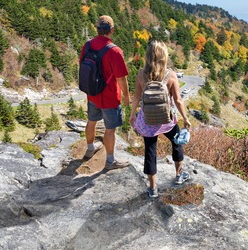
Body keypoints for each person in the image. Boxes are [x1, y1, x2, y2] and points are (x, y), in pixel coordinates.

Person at [129, 40, 192, 198]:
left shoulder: (141, 74)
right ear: (164, 56)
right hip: (167, 120)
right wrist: (185, 118)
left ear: (148, 56)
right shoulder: (170, 75)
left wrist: (132, 114)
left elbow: (136, 97)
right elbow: (178, 100)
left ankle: (153, 188)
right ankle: (179, 176)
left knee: (150, 152)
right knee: (176, 143)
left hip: (147, 121)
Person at [79, 15, 131, 170]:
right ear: (112, 30)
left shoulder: (87, 45)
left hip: (92, 93)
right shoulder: (115, 51)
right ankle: (110, 161)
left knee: (91, 121)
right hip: (109, 97)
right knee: (110, 129)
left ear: (97, 29)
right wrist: (127, 96)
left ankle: (90, 149)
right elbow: (121, 78)